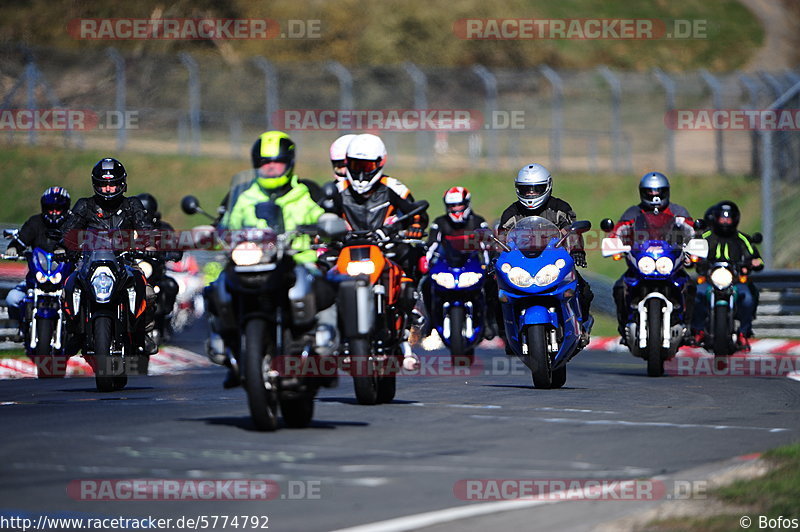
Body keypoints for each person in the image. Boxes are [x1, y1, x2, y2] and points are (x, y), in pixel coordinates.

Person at [205, 131, 338, 387]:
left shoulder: (304, 193)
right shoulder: (245, 196)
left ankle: (323, 346)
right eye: (265, 162)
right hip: (251, 261)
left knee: (326, 286)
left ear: (289, 163)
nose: (271, 167)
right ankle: (226, 347)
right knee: (216, 287)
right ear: (256, 165)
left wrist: (325, 222)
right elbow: (225, 225)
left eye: (276, 161)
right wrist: (212, 232)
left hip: (297, 259)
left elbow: (321, 216)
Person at [325, 133, 429, 368]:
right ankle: (326, 333)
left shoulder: (393, 186)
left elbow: (417, 213)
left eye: (367, 166)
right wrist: (320, 232)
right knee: (320, 272)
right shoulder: (336, 189)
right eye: (355, 166)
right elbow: (318, 215)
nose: (361, 173)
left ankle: (409, 311)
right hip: (346, 249)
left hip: (385, 246)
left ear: (380, 163)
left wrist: (412, 228)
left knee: (411, 256)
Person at [59, 158, 158, 355]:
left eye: (112, 185)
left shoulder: (132, 205)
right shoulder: (84, 206)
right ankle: (75, 334)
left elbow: (146, 229)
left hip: (126, 263)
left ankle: (142, 334)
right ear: (95, 185)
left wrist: (149, 245)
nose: (108, 190)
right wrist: (64, 247)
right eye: (103, 185)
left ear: (122, 184)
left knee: (148, 293)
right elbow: (68, 232)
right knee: (67, 290)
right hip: (89, 264)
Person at [497, 163, 594, 323]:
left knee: (584, 291)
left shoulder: (559, 208)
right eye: (526, 189)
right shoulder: (511, 213)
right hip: (522, 266)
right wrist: (496, 259)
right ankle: (506, 333)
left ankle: (581, 323)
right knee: (500, 296)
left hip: (553, 263)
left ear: (548, 186)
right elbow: (501, 240)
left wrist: (577, 251)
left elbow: (571, 231)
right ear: (518, 189)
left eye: (536, 188)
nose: (531, 193)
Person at [609, 172, 694, 340]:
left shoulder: (678, 212)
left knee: (690, 286)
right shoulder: (632, 213)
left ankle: (688, 327)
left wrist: (692, 249)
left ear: (666, 191)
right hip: (641, 265)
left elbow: (692, 232)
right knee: (620, 287)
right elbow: (616, 233)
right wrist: (615, 245)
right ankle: (623, 326)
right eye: (650, 192)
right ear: (642, 193)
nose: (655, 196)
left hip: (670, 265)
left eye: (659, 192)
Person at [424, 186, 498, 339]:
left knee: (492, 284)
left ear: (467, 203)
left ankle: (489, 320)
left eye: (459, 205)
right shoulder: (440, 223)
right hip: (448, 267)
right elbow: (431, 245)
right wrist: (426, 262)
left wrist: (487, 265)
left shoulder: (478, 222)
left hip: (473, 265)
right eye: (452, 206)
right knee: (426, 283)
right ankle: (431, 321)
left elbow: (487, 246)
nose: (455, 209)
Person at [691, 201, 763, 351]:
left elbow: (756, 257)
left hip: (734, 282)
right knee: (696, 293)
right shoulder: (705, 236)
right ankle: (697, 330)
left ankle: (744, 332)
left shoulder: (743, 239)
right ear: (715, 218)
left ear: (735, 219)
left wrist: (754, 262)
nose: (725, 221)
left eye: (728, 218)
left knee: (748, 297)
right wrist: (693, 258)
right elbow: (692, 253)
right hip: (709, 280)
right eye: (722, 218)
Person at [4, 187, 71, 327]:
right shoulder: (35, 222)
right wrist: (13, 248)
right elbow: (22, 239)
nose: (54, 212)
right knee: (12, 299)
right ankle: (21, 328)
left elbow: (82, 242)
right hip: (36, 278)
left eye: (58, 209)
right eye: (50, 208)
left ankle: (78, 334)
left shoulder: (73, 223)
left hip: (65, 279)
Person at [135, 193, 182, 338]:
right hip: (135, 272)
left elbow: (176, 246)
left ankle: (165, 318)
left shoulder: (163, 228)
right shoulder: (129, 228)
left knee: (170, 286)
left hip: (155, 274)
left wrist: (173, 253)